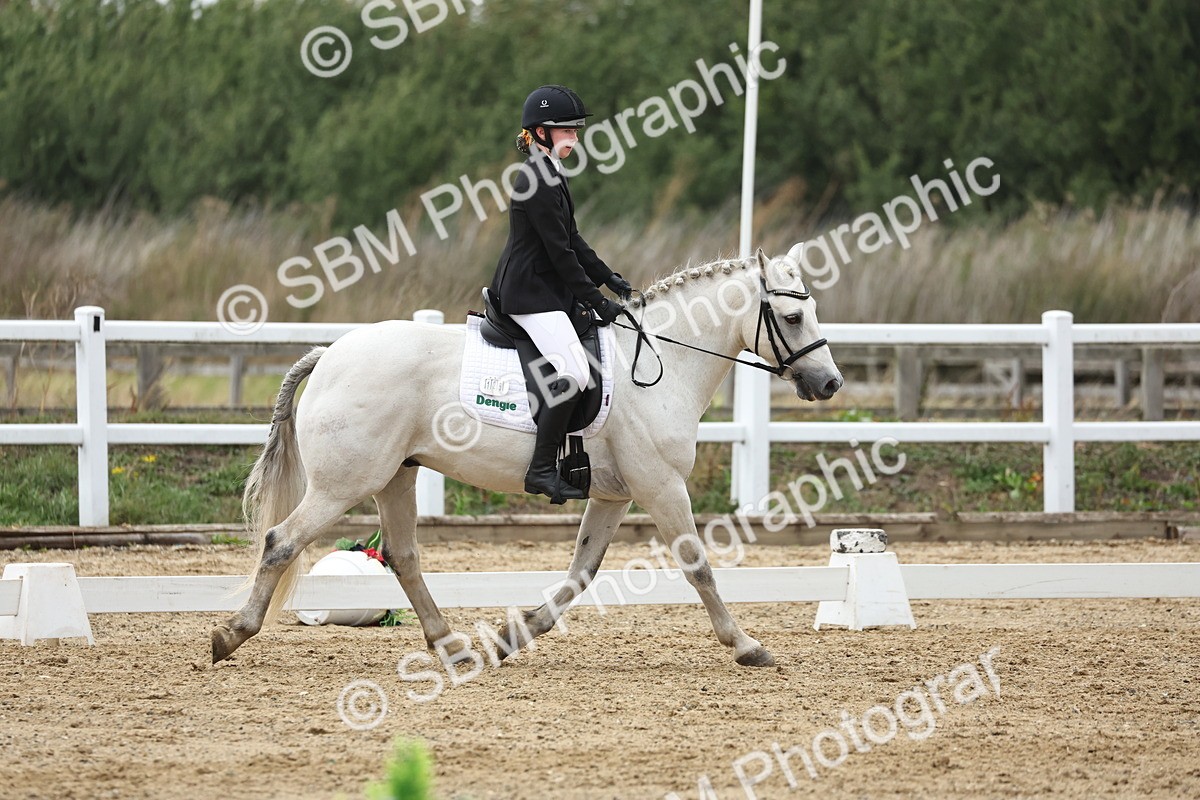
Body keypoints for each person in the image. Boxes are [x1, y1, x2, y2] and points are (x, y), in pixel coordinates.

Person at [488, 84, 632, 503]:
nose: (574, 136)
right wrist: (596, 300)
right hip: (529, 293)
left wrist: (610, 278)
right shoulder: (535, 178)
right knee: (574, 370)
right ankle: (540, 469)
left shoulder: (551, 172)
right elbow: (561, 254)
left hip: (544, 288)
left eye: (575, 129)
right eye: (565, 130)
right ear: (540, 132)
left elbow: (573, 239)